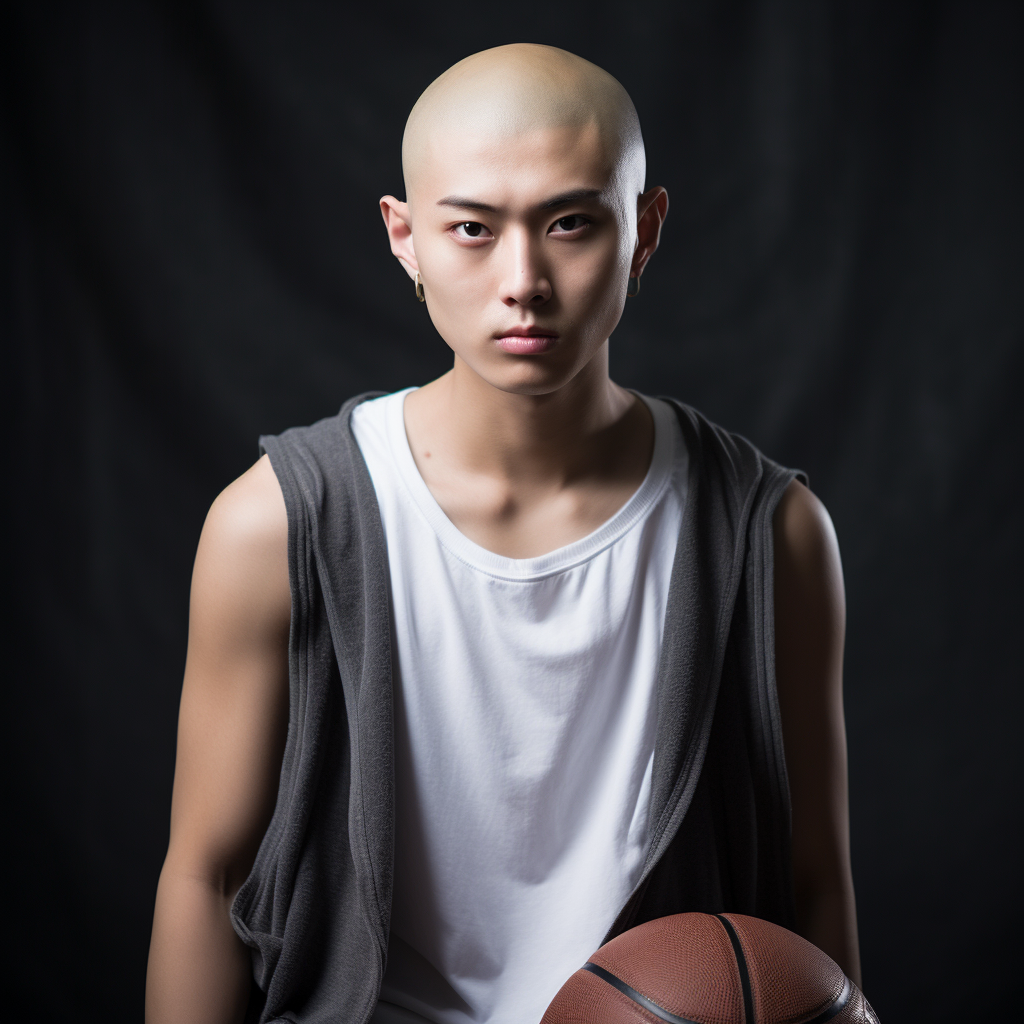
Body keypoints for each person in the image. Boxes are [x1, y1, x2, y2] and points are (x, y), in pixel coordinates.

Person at [146, 43, 861, 1024]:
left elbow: (811, 884)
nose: (523, 279)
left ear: (644, 230)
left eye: (570, 222)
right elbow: (205, 876)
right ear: (404, 238)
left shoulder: (769, 534)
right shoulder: (275, 523)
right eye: (473, 228)